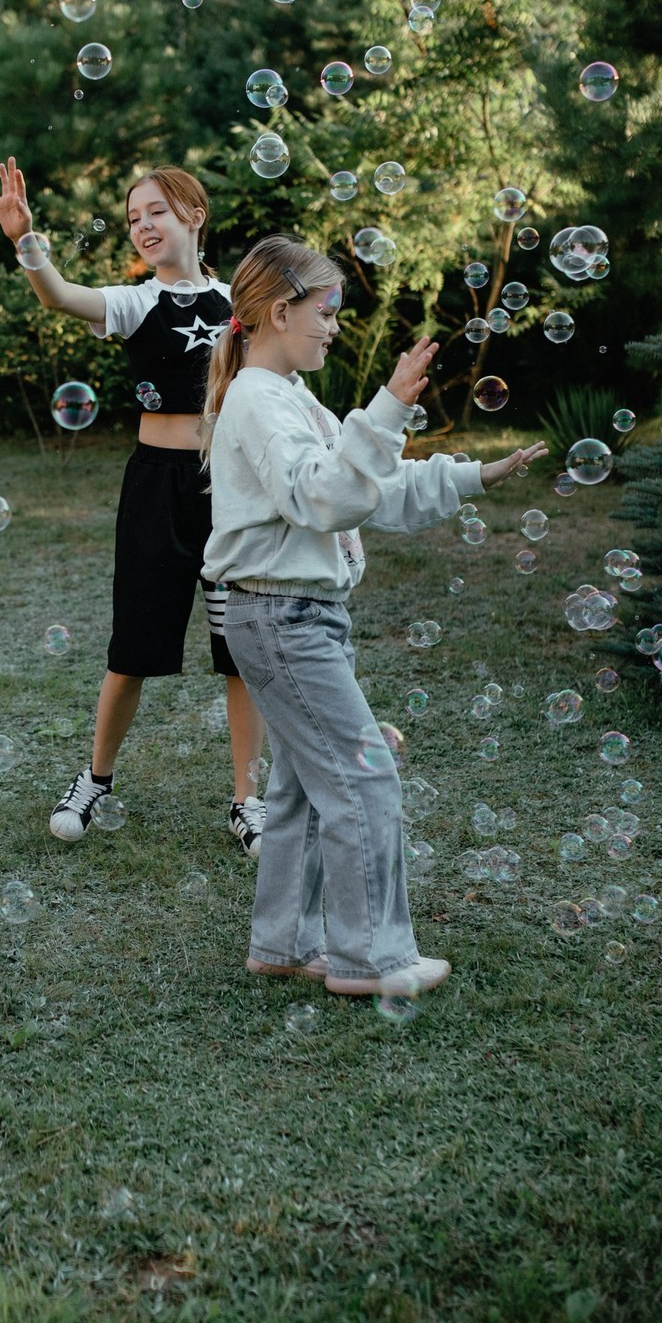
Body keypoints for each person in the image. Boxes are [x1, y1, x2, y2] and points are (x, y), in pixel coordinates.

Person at [202, 234, 547, 998]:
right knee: (364, 778)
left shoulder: (290, 397)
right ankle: (372, 960)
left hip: (292, 615)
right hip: (283, 616)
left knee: (300, 786)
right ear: (279, 311)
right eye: (325, 312)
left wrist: (476, 475)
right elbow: (322, 496)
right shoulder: (258, 399)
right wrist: (388, 407)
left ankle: (284, 942)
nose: (334, 327)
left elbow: (371, 492)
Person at [0, 156, 269, 851]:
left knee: (241, 651)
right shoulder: (137, 302)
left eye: (156, 212)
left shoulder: (240, 302)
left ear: (194, 216)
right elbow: (58, 296)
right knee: (132, 648)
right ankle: (95, 779)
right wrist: (26, 240)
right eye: (133, 217)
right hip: (155, 489)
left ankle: (248, 800)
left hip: (230, 488)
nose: (142, 225)